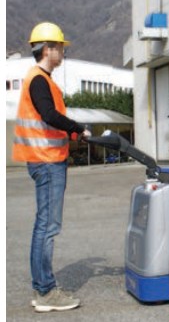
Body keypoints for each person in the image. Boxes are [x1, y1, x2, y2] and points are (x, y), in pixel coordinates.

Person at [12, 22, 92, 313]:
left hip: (47, 159)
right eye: (60, 48)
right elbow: (48, 115)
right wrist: (77, 128)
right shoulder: (38, 80)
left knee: (46, 225)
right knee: (47, 226)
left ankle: (43, 288)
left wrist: (70, 133)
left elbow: (50, 117)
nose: (62, 53)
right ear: (48, 49)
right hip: (45, 161)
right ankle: (45, 292)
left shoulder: (42, 79)